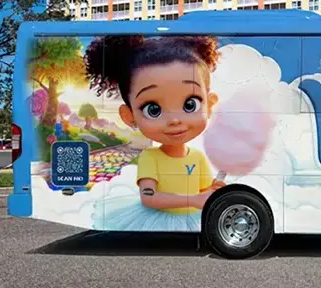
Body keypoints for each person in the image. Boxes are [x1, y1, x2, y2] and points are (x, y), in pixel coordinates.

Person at [83, 34, 224, 231]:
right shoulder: (150, 157)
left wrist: (213, 191)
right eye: (153, 109)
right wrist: (194, 199)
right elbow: (149, 197)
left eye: (190, 104)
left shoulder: (199, 157)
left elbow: (203, 192)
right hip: (159, 220)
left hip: (193, 219)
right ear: (129, 115)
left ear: (210, 105)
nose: (174, 120)